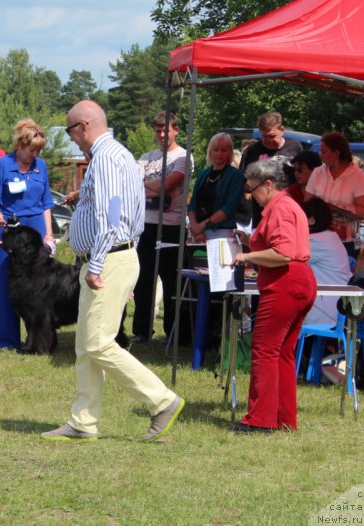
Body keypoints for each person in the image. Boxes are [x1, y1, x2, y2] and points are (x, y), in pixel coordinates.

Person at [41, 100, 184, 442]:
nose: (72, 138)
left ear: (85, 126)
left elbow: (111, 215)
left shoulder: (105, 157)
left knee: (99, 343)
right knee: (86, 345)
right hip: (112, 256)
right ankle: (83, 421)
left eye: (71, 131)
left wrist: (97, 262)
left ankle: (162, 400)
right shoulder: (118, 154)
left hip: (109, 259)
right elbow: (116, 209)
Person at [231, 159, 317, 433]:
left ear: (268, 184)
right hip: (300, 281)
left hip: (285, 282)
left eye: (253, 190)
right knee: (283, 353)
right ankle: (283, 419)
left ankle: (260, 420)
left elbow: (282, 253)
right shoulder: (288, 205)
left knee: (265, 350)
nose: (251, 196)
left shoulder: (279, 208)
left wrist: (246, 255)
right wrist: (249, 242)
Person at [0, 118, 54, 350]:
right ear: (19, 145)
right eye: (31, 149)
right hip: (9, 229)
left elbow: (46, 202)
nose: (34, 153)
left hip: (35, 229)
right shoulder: (3, 165)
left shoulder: (40, 166)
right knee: (5, 284)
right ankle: (5, 340)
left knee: (37, 286)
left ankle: (38, 339)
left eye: (38, 150)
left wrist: (49, 234)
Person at [130, 111, 189, 344]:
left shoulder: (184, 157)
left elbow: (171, 183)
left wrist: (153, 186)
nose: (162, 134)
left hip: (172, 227)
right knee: (144, 279)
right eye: (158, 130)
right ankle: (142, 331)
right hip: (147, 225)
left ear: (176, 130)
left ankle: (173, 332)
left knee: (172, 281)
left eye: (167, 129)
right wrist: (157, 188)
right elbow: (134, 184)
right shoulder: (147, 156)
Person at [239, 112, 304, 227]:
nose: (269, 140)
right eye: (265, 136)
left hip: (289, 210)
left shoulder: (295, 147)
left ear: (282, 130)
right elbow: (242, 180)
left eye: (272, 136)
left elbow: (304, 176)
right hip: (261, 214)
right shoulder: (252, 151)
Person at [300, 198, 351, 327]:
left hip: (328, 310)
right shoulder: (328, 237)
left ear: (311, 220)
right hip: (335, 305)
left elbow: (284, 257)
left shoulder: (316, 241)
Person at [304, 132, 364, 240]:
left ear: (336, 153)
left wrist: (336, 207)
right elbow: (308, 203)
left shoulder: (358, 176)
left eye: (324, 152)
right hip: (320, 235)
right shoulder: (317, 172)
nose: (320, 155)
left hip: (348, 239)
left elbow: (362, 212)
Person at [187, 133, 245, 242]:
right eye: (216, 150)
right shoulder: (203, 174)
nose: (219, 154)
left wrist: (202, 226)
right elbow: (193, 204)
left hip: (222, 232)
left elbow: (229, 207)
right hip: (200, 234)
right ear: (210, 151)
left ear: (230, 152)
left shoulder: (236, 175)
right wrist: (195, 228)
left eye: (224, 150)